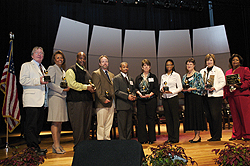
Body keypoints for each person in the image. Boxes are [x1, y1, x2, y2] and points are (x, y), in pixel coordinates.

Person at [19, 46, 48, 155]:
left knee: (39, 125)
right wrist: (38, 80)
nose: (40, 55)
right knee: (31, 125)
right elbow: (22, 80)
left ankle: (35, 146)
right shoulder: (26, 65)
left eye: (42, 53)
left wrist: (46, 101)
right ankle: (32, 148)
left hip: (41, 102)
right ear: (32, 55)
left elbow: (45, 87)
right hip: (31, 101)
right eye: (37, 53)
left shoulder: (43, 68)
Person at [65, 52, 95, 146]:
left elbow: (90, 83)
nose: (82, 60)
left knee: (86, 126)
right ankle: (78, 147)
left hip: (87, 101)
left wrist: (92, 87)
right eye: (80, 58)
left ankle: (85, 147)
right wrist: (86, 87)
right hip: (76, 102)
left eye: (84, 58)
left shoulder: (86, 72)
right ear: (77, 59)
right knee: (78, 126)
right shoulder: (71, 70)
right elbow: (71, 84)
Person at [47, 50, 70, 154]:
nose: (60, 59)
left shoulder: (63, 71)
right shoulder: (52, 68)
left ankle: (57, 144)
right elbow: (49, 83)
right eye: (58, 58)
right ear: (54, 59)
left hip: (61, 98)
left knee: (59, 122)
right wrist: (62, 90)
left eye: (61, 58)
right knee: (55, 121)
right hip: (55, 97)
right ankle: (56, 145)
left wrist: (67, 87)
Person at [224, 54, 250, 141]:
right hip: (232, 96)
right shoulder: (228, 72)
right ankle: (236, 135)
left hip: (242, 95)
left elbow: (248, 81)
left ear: (240, 62)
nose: (234, 62)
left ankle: (247, 135)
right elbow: (226, 85)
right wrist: (226, 95)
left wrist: (239, 86)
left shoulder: (245, 69)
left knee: (244, 116)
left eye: (236, 60)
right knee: (235, 117)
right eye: (233, 60)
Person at [200, 54, 226, 142]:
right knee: (209, 116)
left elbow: (223, 82)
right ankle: (213, 135)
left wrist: (214, 87)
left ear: (214, 61)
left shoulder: (218, 70)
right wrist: (203, 86)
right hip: (206, 96)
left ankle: (217, 136)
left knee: (216, 116)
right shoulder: (202, 71)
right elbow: (200, 83)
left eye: (210, 60)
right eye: (207, 60)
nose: (209, 62)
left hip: (215, 96)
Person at [182, 57, 206, 143]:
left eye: (190, 64)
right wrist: (184, 90)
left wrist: (192, 89)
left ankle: (197, 135)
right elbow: (183, 86)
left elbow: (202, 87)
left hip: (196, 98)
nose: (189, 66)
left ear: (194, 65)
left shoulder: (198, 75)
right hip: (188, 98)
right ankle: (195, 135)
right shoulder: (184, 76)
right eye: (187, 64)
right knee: (191, 116)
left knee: (197, 116)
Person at [135, 59, 158, 144]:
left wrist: (150, 94)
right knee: (141, 120)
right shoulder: (138, 78)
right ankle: (142, 139)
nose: (146, 67)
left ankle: (151, 139)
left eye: (147, 65)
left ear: (150, 67)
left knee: (151, 119)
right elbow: (135, 88)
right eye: (144, 65)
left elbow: (156, 89)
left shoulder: (153, 77)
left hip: (151, 100)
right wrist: (139, 93)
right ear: (142, 67)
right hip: (141, 101)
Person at [92, 55, 115, 140]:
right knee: (101, 124)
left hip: (111, 103)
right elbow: (97, 89)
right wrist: (103, 99)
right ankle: (101, 142)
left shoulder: (112, 75)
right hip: (102, 103)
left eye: (106, 61)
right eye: (103, 61)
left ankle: (107, 141)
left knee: (109, 124)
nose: (105, 63)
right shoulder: (96, 73)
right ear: (99, 63)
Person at [160, 59, 182, 144]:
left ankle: (175, 138)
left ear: (173, 66)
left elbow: (180, 88)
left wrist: (172, 92)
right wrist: (162, 89)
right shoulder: (163, 76)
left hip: (173, 98)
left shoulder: (176, 75)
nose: (169, 66)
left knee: (175, 119)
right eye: (167, 65)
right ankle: (170, 137)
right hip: (165, 99)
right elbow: (161, 87)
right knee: (168, 119)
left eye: (170, 65)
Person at [113, 62, 136, 140]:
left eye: (126, 67)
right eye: (123, 67)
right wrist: (127, 96)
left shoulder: (130, 79)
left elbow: (133, 89)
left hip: (129, 106)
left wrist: (133, 95)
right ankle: (123, 143)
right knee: (122, 126)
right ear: (120, 68)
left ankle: (128, 142)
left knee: (129, 126)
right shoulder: (116, 78)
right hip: (122, 106)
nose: (125, 68)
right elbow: (116, 91)